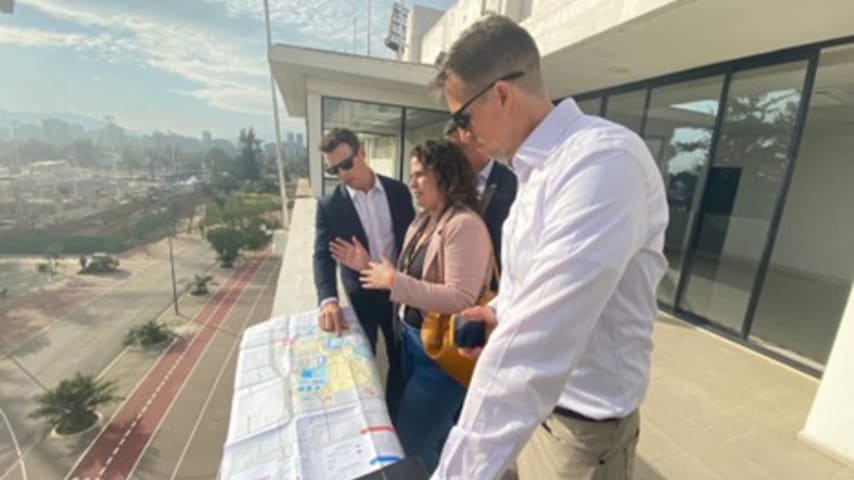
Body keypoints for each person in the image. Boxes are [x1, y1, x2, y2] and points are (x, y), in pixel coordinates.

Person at [429, 15, 669, 480]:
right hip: (533, 414)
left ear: (501, 94)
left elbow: (538, 342)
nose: (460, 134)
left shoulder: (601, 163)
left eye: (461, 117)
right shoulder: (536, 169)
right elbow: (535, 285)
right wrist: (498, 310)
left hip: (578, 433)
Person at [335, 140, 492, 473]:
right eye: (411, 175)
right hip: (410, 342)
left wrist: (393, 282)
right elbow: (405, 276)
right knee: (433, 437)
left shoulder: (464, 225)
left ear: (447, 176)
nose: (412, 183)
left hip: (440, 355)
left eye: (421, 175)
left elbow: (460, 297)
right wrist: (367, 266)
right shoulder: (424, 221)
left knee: (409, 442)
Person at [313, 128, 415, 418]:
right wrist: (328, 299)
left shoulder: (398, 192)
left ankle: (396, 420)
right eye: (334, 169)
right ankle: (371, 422)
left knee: (401, 362)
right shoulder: (330, 205)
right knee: (363, 368)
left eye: (346, 164)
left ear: (362, 153)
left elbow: (412, 241)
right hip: (361, 300)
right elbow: (321, 255)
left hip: (399, 294)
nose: (342, 174)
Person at [444, 121, 517, 278]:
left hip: (497, 281)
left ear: (478, 140)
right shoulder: (449, 185)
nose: (456, 158)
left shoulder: (511, 182)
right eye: (451, 152)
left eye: (460, 149)